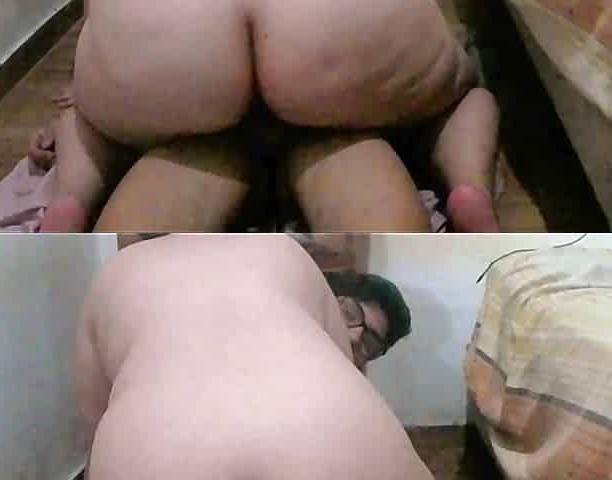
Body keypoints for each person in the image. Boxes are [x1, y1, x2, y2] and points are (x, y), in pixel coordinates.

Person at [42, 0, 500, 233]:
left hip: (176, 30)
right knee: (461, 96)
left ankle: (71, 199)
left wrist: (92, 88)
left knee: (102, 123)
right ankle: (468, 186)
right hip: (331, 28)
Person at [76, 235, 432, 479]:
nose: (354, 336)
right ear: (331, 290)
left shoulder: (117, 271)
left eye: (370, 344)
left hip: (154, 449)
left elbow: (95, 421)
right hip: (329, 439)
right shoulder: (288, 254)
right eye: (352, 315)